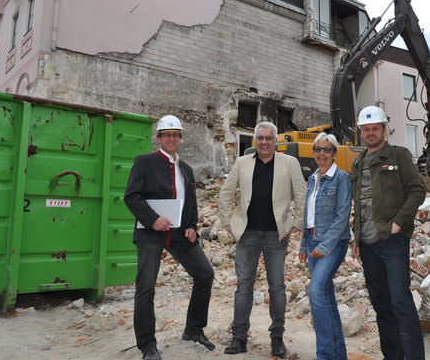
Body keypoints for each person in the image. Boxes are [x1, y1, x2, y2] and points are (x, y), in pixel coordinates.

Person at [124, 115, 215, 360]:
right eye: (167, 134)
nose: (172, 138)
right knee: (145, 288)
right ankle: (147, 346)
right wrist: (153, 218)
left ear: (180, 138)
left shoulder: (186, 168)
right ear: (159, 138)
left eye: (176, 135)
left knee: (205, 274)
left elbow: (191, 204)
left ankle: (194, 329)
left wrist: (191, 226)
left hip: (178, 233)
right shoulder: (144, 162)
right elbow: (131, 196)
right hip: (151, 232)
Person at [218, 121, 306, 358]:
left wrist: (295, 224)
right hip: (247, 234)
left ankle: (277, 337)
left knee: (277, 287)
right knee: (243, 285)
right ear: (255, 140)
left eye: (269, 138)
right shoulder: (242, 163)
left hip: (276, 235)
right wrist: (227, 221)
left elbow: (301, 195)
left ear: (275, 140)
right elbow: (226, 192)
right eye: (260, 138)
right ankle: (239, 337)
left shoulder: (290, 163)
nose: (264, 142)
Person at [350, 106, 427, 360]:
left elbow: (417, 191)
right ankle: (392, 356)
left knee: (400, 302)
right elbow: (360, 203)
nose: (370, 133)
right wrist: (356, 234)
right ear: (361, 132)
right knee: (381, 304)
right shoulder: (358, 164)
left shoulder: (399, 156)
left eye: (375, 128)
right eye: (366, 129)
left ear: (384, 129)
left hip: (392, 240)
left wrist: (398, 224)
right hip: (367, 243)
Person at [298, 132, 351, 360]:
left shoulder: (341, 178)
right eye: (318, 149)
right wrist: (303, 245)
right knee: (327, 298)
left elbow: (342, 217)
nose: (321, 153)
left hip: (333, 243)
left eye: (326, 149)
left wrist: (325, 246)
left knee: (316, 292)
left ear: (334, 153)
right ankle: (339, 356)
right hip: (311, 241)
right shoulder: (312, 179)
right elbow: (307, 215)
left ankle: (325, 356)